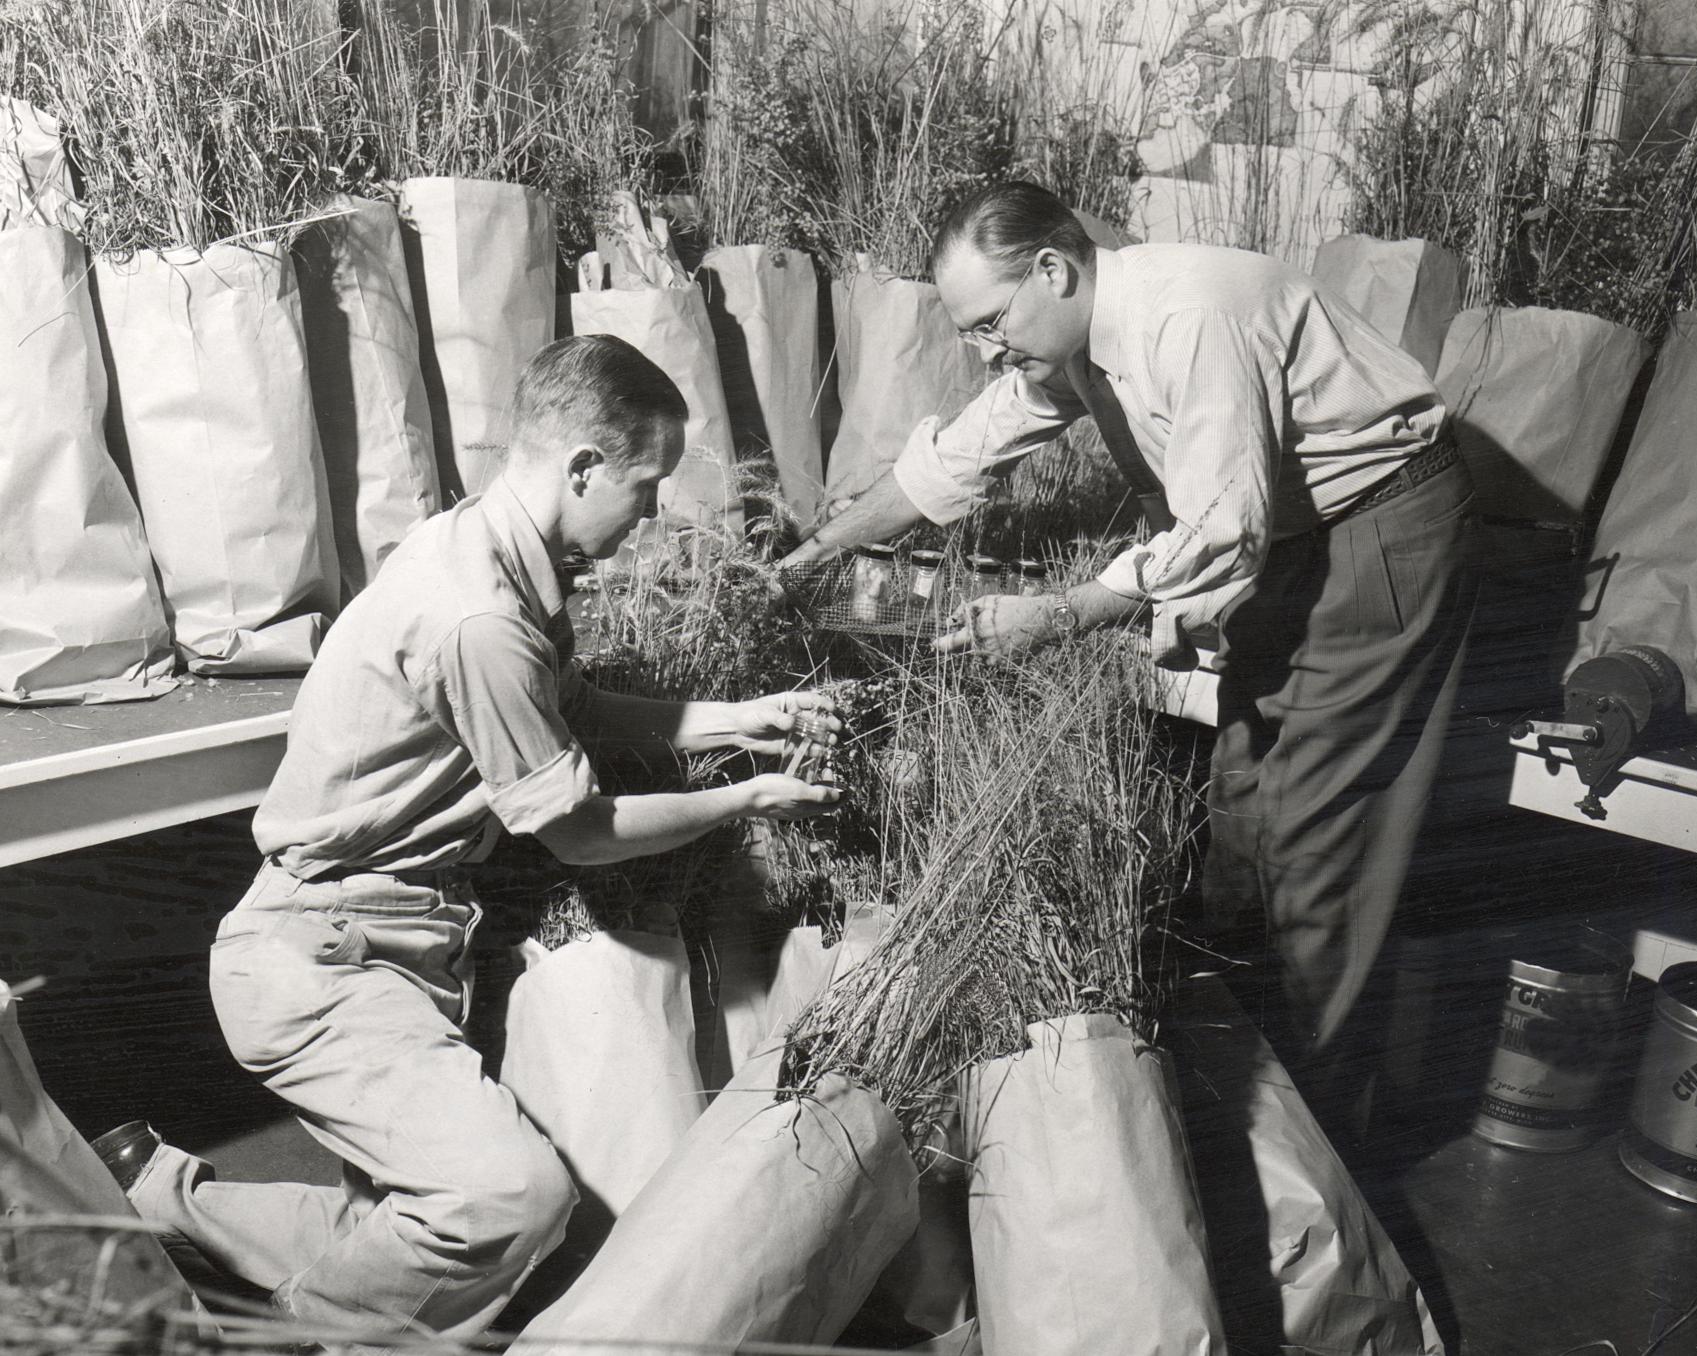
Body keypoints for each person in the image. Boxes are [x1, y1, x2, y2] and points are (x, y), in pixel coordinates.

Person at [97, 335, 842, 1341]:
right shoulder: (476, 616)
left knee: (404, 1233)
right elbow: (580, 835)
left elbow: (568, 702)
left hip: (397, 940)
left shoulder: (490, 548)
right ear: (580, 467)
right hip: (322, 961)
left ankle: (154, 1196)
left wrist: (738, 718)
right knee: (512, 1200)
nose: (653, 512)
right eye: (644, 484)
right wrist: (747, 801)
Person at [783, 181, 1478, 1135]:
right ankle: (1259, 1113)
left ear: (1054, 271)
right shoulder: (1072, 339)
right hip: (1289, 542)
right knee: (1240, 820)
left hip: (1376, 534)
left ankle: (1321, 1146)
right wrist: (815, 554)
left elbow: (1218, 531)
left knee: (1322, 849)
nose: (987, 350)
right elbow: (958, 456)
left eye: (990, 323)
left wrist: (1062, 613)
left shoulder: (1187, 318)